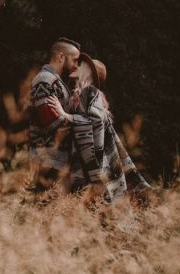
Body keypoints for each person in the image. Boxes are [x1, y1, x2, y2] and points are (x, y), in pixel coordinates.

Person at [47, 54, 152, 203]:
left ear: (87, 73)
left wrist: (65, 115)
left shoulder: (90, 93)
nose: (76, 66)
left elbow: (93, 122)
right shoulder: (79, 96)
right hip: (82, 163)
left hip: (92, 165)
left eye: (81, 65)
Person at [27, 37, 82, 191]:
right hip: (46, 160)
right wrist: (81, 122)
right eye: (75, 60)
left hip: (56, 161)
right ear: (60, 57)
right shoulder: (45, 80)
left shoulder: (56, 81)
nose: (76, 65)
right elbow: (51, 122)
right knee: (43, 210)